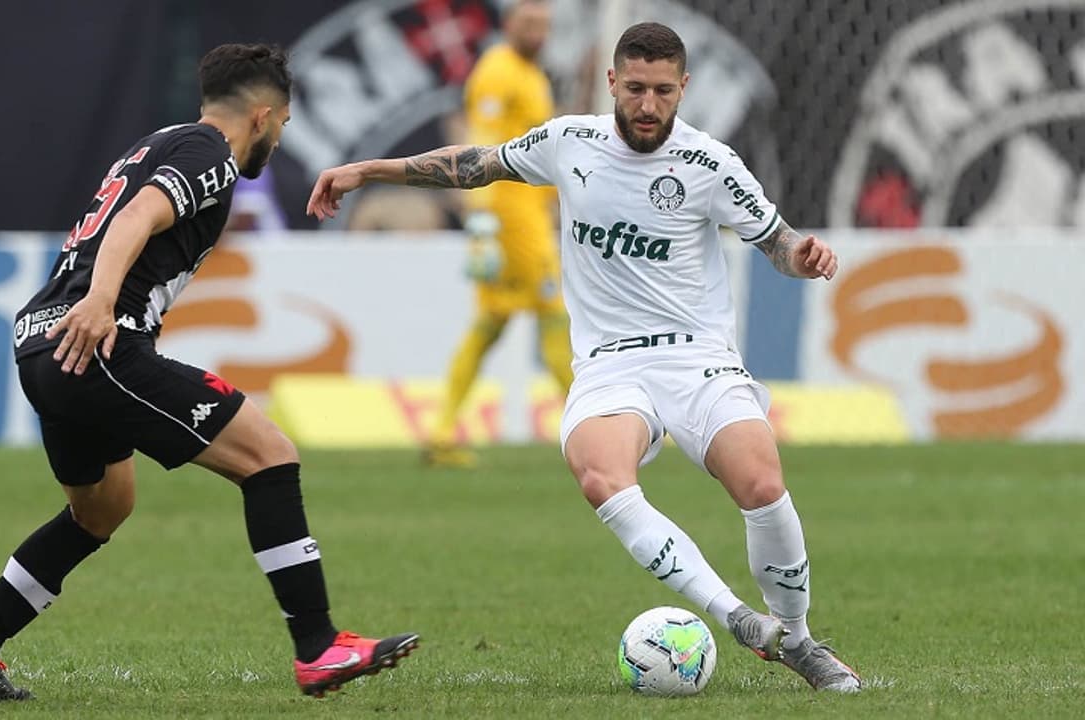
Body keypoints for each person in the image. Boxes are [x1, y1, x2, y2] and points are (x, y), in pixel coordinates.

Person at [307, 22, 861, 692]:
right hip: (610, 365)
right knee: (601, 473)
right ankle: (738, 617)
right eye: (635, 89)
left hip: (697, 360)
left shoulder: (710, 164)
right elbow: (477, 163)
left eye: (662, 91)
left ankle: (798, 639)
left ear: (683, 88)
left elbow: (777, 241)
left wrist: (802, 256)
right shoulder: (571, 142)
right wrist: (369, 170)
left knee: (761, 482)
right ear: (612, 84)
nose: (648, 104)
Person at [0, 43, 418, 702]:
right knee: (269, 457)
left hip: (41, 342)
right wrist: (103, 301)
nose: (279, 137)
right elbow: (136, 218)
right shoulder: (211, 153)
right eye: (284, 125)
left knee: (102, 509)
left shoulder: (158, 141)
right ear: (265, 116)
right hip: (98, 341)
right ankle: (319, 646)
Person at [424, 0, 573, 468]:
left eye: (544, 25)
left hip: (528, 213)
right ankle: (596, 425)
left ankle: (442, 432)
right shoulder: (497, 72)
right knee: (554, 312)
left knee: (490, 325)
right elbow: (479, 150)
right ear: (509, 24)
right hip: (510, 219)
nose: (538, 33)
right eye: (530, 24)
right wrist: (483, 225)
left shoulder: (532, 74)